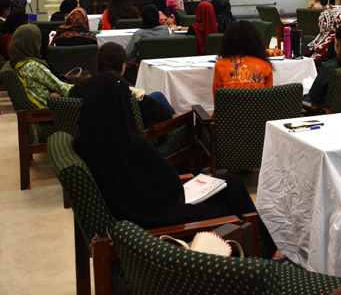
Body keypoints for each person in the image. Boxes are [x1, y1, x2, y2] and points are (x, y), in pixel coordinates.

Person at [72, 70, 291, 263]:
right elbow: (172, 188)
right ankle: (269, 253)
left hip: (136, 217)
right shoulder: (128, 143)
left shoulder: (85, 141)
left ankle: (270, 250)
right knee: (231, 191)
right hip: (163, 222)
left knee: (229, 184)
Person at [69, 42, 174, 127]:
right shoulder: (128, 95)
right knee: (164, 105)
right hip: (125, 143)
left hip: (87, 140)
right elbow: (165, 114)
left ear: (97, 64)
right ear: (123, 67)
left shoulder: (80, 87)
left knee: (158, 95)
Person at [7, 24, 72, 108]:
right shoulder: (33, 67)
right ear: (31, 43)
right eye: (38, 41)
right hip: (53, 109)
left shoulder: (19, 62)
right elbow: (64, 89)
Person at [213, 21, 273, 94]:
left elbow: (217, 98)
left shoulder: (220, 65)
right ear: (256, 41)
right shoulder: (265, 65)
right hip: (257, 105)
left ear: (227, 42)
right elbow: (269, 98)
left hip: (230, 105)